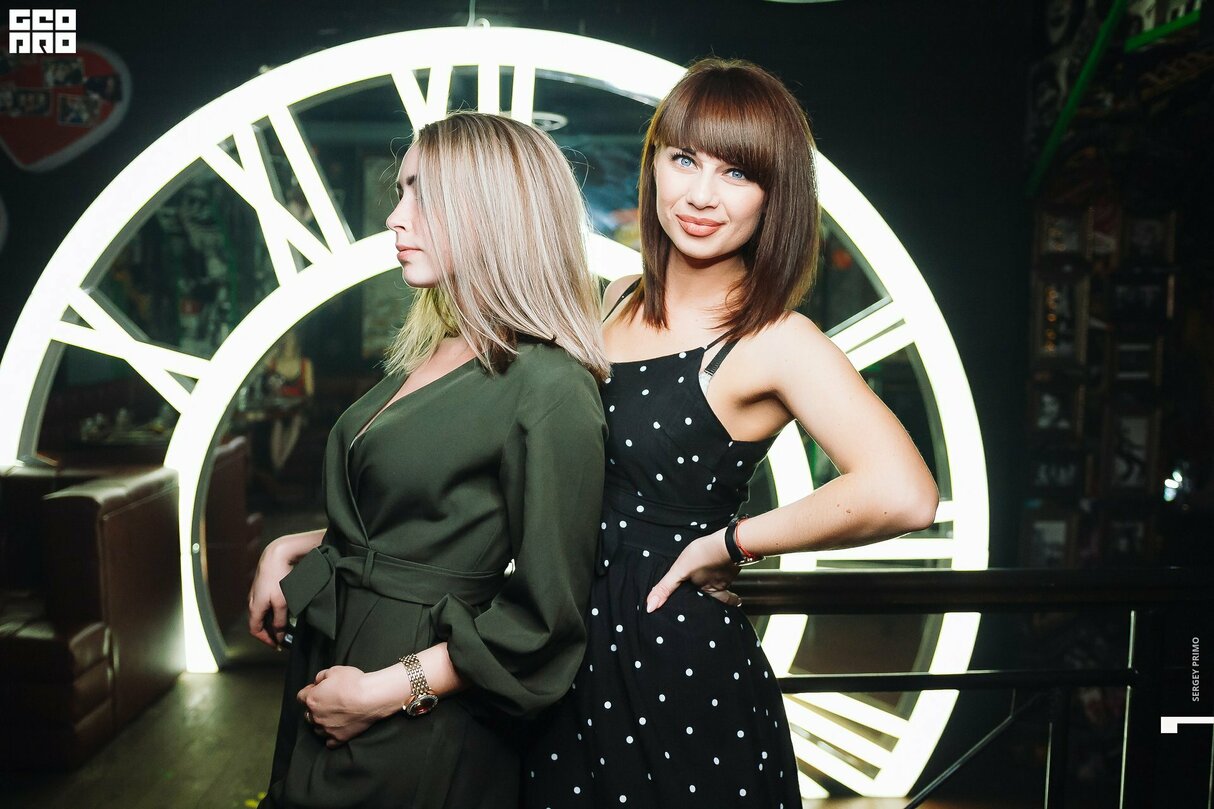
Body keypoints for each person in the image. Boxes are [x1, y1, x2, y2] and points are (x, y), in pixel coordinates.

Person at [522, 58, 940, 807]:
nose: (701, 195)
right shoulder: (613, 298)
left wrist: (732, 543)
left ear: (774, 197)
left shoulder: (772, 338)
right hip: (560, 644)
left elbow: (905, 493)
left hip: (672, 660)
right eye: (684, 159)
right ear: (653, 164)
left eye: (737, 173)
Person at [248, 111, 609, 809]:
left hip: (411, 700)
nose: (394, 216)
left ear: (496, 212)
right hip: (336, 659)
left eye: (423, 193)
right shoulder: (438, 349)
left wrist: (383, 692)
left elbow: (546, 618)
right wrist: (288, 548)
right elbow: (418, 521)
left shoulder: (550, 385)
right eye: (401, 190)